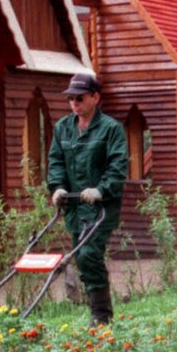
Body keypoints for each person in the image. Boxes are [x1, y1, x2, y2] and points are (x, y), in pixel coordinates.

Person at [48, 71, 129, 325]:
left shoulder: (111, 130)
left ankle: (101, 315)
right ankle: (97, 311)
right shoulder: (63, 128)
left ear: (95, 97)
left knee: (88, 254)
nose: (74, 103)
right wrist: (58, 187)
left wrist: (101, 189)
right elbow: (56, 162)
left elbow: (118, 166)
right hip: (74, 207)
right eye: (71, 98)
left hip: (102, 207)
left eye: (80, 98)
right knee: (82, 255)